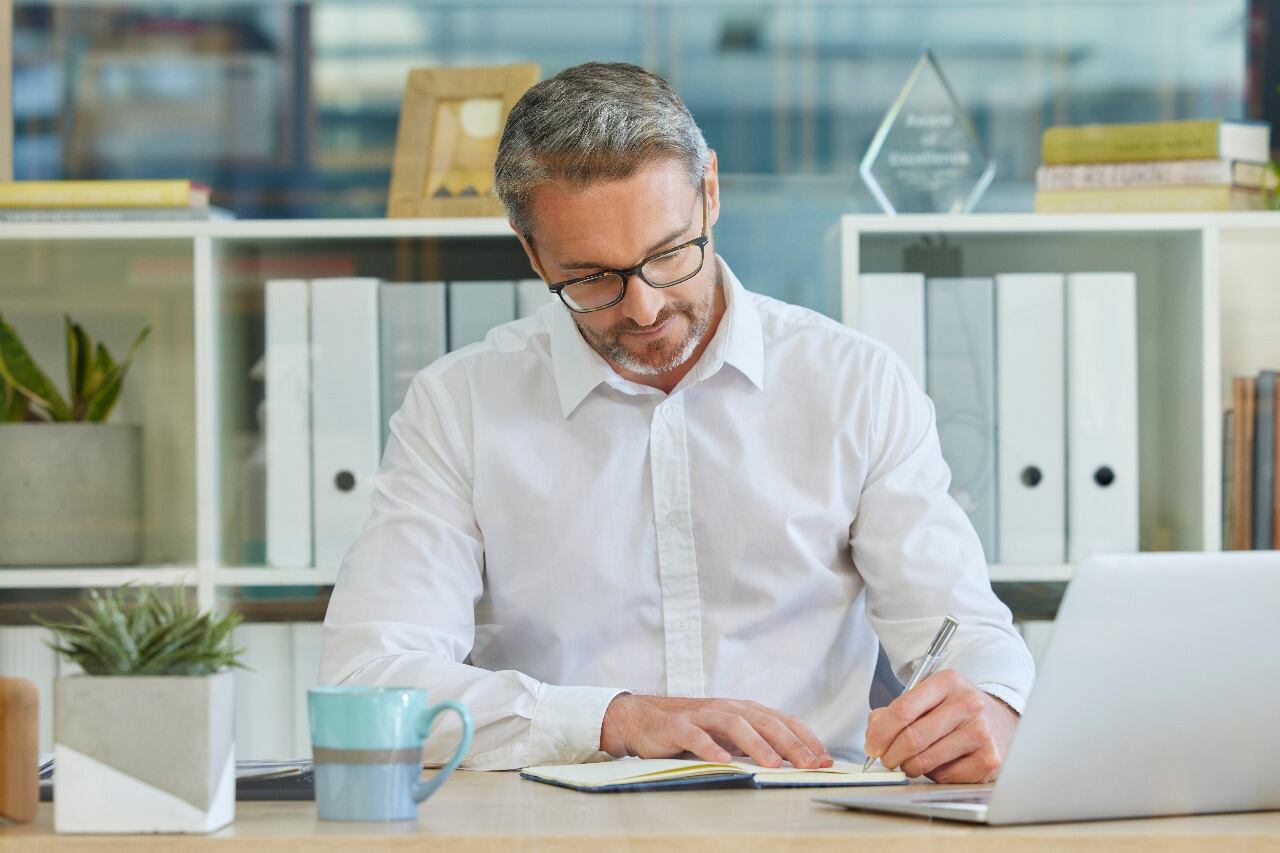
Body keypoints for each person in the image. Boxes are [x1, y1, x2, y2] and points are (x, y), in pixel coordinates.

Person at [319, 62, 1033, 783]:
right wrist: (617, 720)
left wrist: (994, 704)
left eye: (668, 255)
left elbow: (963, 631)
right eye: (592, 277)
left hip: (808, 819)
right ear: (532, 251)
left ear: (711, 192)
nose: (644, 309)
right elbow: (367, 679)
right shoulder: (459, 407)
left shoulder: (855, 384)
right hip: (559, 828)